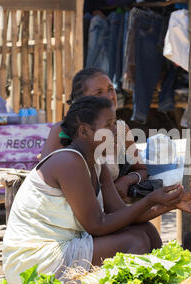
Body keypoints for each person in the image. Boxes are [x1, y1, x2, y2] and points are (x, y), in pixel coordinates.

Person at [3, 96, 191, 284]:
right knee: (135, 242)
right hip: (32, 263)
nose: (115, 130)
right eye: (108, 125)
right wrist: (150, 200)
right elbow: (97, 225)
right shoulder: (69, 162)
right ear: (84, 131)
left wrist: (174, 202)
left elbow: (124, 215)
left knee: (145, 230)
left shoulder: (96, 162)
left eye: (115, 123)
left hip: (64, 248)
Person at [40, 68, 146, 202]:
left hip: (105, 209)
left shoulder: (120, 129)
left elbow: (141, 170)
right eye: (99, 92)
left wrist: (126, 180)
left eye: (110, 89)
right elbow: (47, 182)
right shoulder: (62, 131)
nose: (109, 96)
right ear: (82, 100)